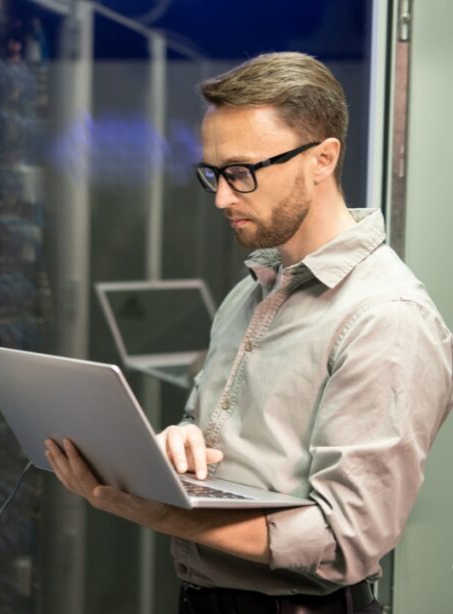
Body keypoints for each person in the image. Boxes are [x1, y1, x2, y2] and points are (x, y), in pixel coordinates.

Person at [45, 52, 452, 614]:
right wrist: (179, 445)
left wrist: (155, 510)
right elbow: (215, 433)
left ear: (322, 158)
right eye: (213, 174)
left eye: (242, 172)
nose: (221, 197)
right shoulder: (253, 289)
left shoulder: (387, 317)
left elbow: (344, 541)